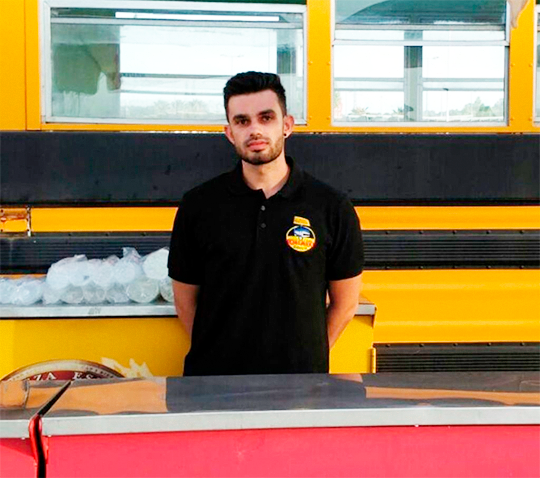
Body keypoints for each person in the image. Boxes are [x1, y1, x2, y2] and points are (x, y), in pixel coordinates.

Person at [168, 71, 363, 376]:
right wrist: (217, 354)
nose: (255, 130)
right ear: (229, 133)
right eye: (242, 121)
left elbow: (346, 304)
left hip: (300, 388)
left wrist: (306, 358)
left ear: (287, 125)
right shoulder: (198, 205)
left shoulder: (331, 207)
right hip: (211, 385)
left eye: (266, 117)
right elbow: (184, 301)